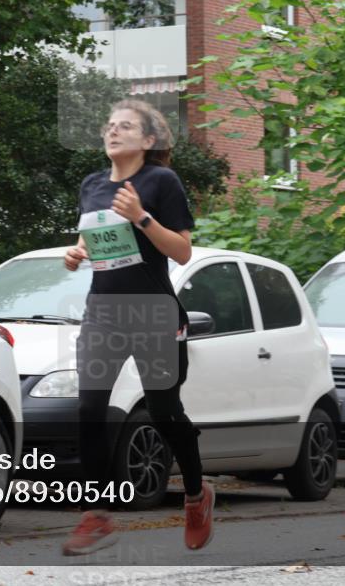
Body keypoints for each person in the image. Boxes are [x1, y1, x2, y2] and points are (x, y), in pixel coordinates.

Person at [61, 99, 213, 556]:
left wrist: (142, 218)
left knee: (164, 412)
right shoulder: (92, 184)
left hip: (153, 313)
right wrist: (76, 252)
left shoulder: (161, 181)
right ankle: (96, 515)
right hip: (103, 313)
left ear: (148, 140)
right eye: (109, 125)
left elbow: (182, 252)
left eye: (125, 126)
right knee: (90, 408)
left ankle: (196, 494)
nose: (113, 131)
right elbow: (93, 235)